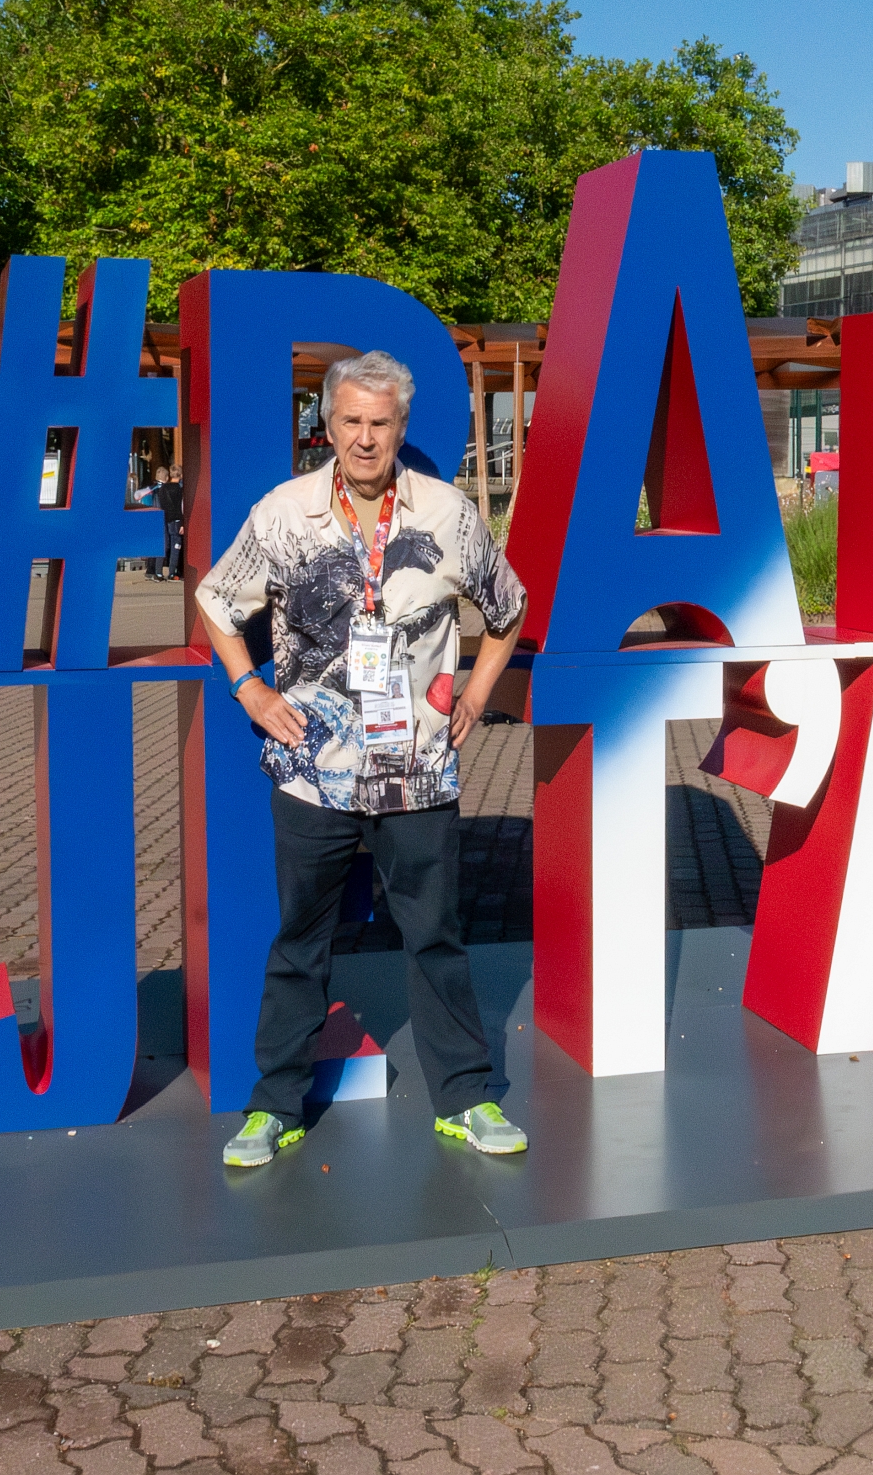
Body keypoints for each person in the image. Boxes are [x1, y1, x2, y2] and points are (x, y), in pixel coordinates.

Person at [194, 351, 529, 1169]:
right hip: (313, 770)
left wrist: (477, 696)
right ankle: (273, 1105)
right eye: (351, 421)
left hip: (415, 770)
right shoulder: (284, 513)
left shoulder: (447, 514)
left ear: (402, 427)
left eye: (382, 423)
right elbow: (214, 596)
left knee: (437, 938)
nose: (367, 438)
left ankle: (467, 1097)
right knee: (300, 940)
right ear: (328, 424)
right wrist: (250, 689)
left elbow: (509, 607)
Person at [144, 464, 185, 581]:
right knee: (175, 546)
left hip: (165, 519)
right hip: (176, 520)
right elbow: (180, 507)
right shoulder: (180, 489)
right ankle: (172, 573)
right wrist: (182, 522)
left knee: (164, 545)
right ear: (181, 475)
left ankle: (158, 572)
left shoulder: (163, 489)